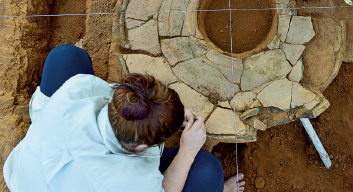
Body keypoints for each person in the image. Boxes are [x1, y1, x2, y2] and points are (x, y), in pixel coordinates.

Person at [3, 42, 245, 192]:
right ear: (139, 146)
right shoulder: (129, 181)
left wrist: (168, 116)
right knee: (206, 172)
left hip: (32, 172)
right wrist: (187, 151)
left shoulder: (74, 90)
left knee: (66, 57)